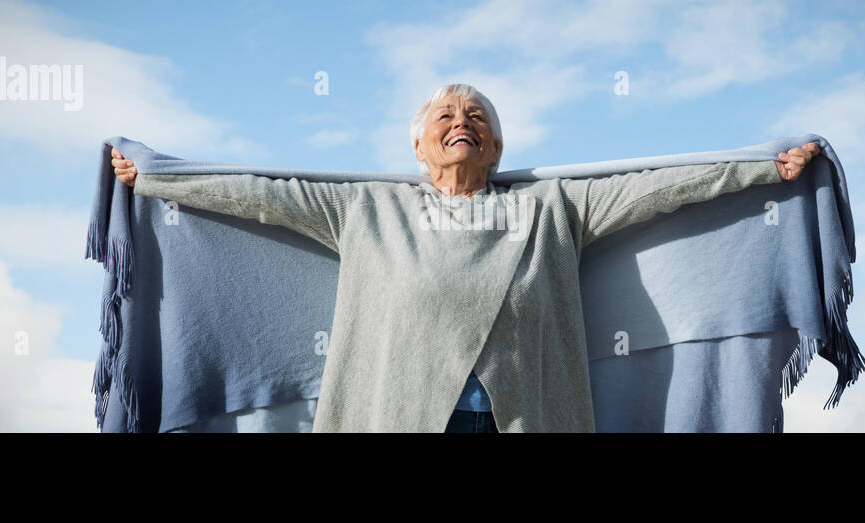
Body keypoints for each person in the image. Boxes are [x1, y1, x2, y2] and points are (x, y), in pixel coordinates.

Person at [111, 83, 818, 433]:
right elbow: (261, 196)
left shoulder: (554, 209)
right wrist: (162, 180)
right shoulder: (366, 211)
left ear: (496, 149)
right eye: (446, 117)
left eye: (477, 118)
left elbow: (658, 189)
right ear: (419, 148)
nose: (462, 122)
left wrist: (764, 169)